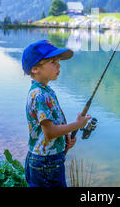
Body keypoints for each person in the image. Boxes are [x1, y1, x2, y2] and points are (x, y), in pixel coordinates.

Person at [22, 39, 90, 187]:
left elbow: (50, 128)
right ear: (35, 68)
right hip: (46, 163)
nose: (59, 65)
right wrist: (76, 125)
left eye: (58, 61)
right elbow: (50, 133)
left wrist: (65, 138)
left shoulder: (44, 91)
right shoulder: (40, 95)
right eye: (53, 62)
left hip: (44, 159)